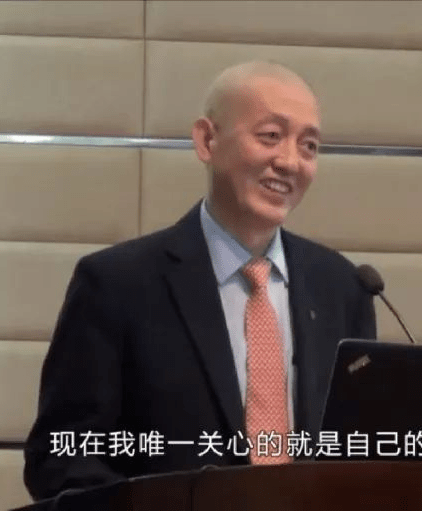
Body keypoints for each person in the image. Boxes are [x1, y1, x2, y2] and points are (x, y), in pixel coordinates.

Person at [22, 60, 377, 501]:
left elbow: (363, 454)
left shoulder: (344, 288)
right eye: (270, 136)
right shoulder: (116, 284)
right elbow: (62, 456)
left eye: (309, 146)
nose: (290, 162)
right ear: (207, 140)